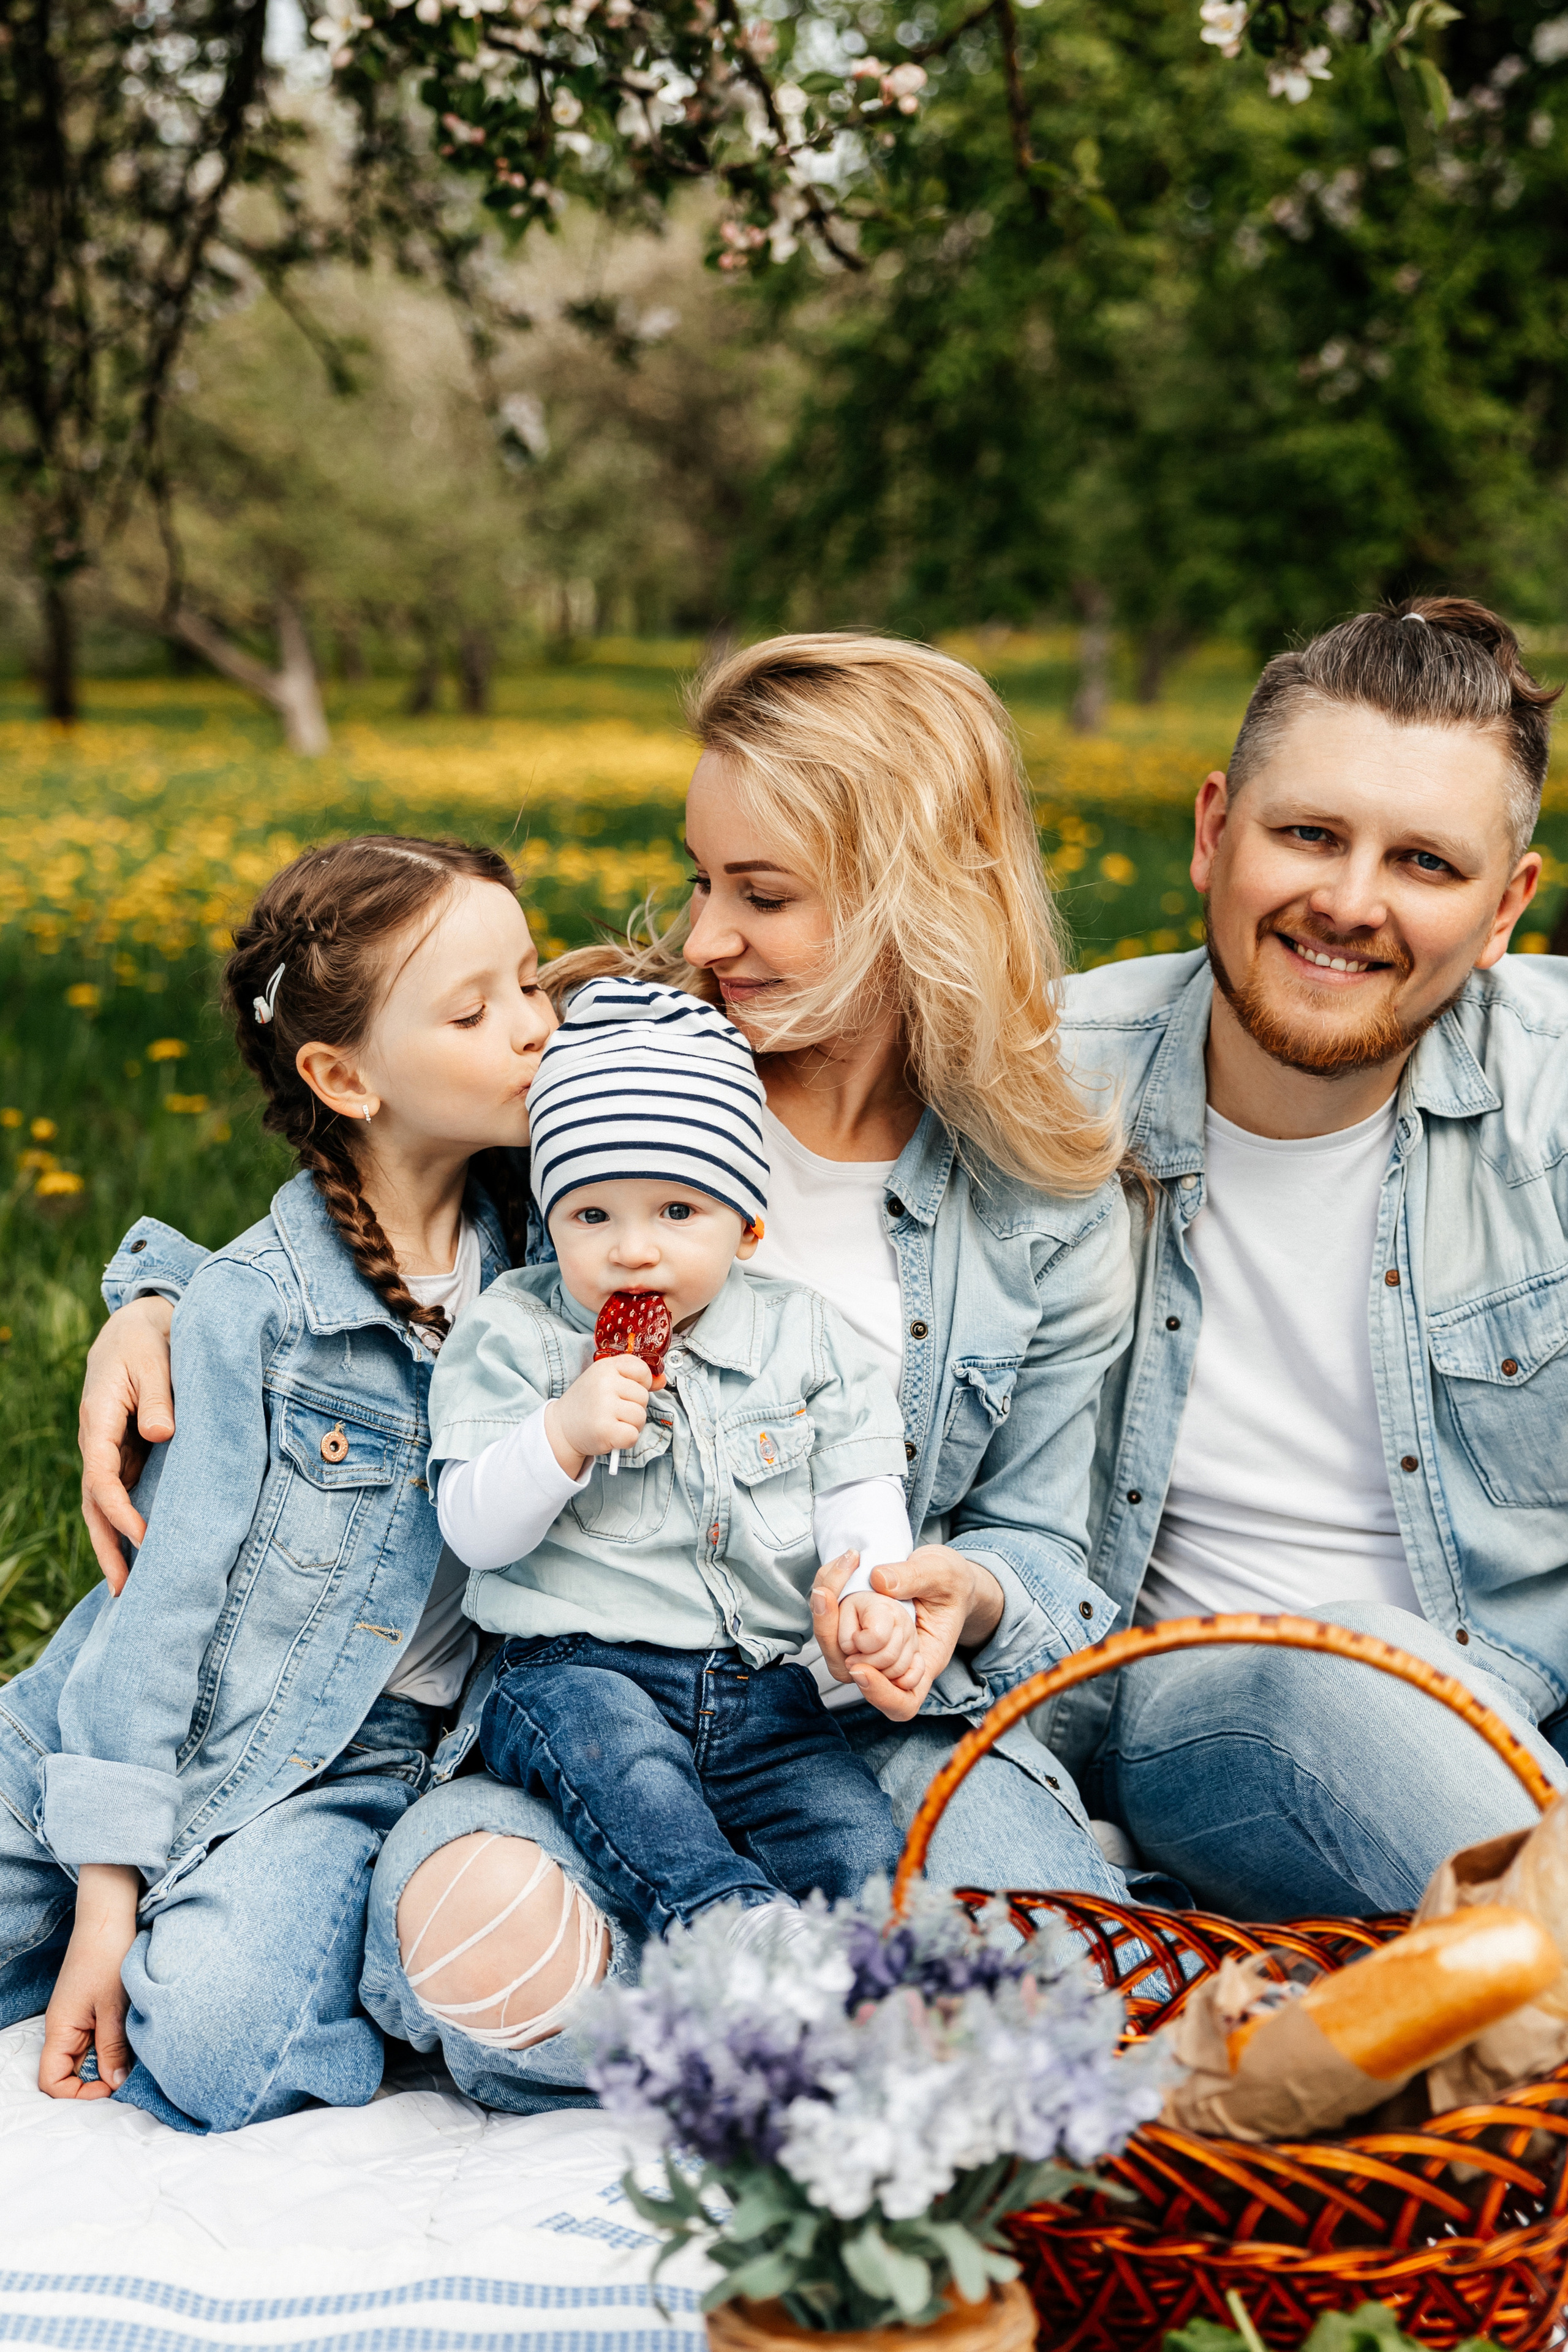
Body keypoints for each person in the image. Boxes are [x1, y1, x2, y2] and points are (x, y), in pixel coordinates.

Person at [76, 633, 1144, 2112]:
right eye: (700, 877)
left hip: (849, 1723)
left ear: (919, 903)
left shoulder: (1036, 1204)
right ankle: (687, 2002)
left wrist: (950, 1597)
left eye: (761, 895)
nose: (703, 937)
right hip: (568, 1693)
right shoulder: (601, 1061)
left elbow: (1040, 1543)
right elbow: (368, 1198)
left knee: (1046, 1985)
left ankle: (722, 2017)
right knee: (484, 1925)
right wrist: (160, 1298)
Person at [0, 834, 556, 2128]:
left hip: (350, 1758)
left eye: (530, 983)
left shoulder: (555, 1248)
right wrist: (108, 1892)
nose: (533, 1028)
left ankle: (325, 1940)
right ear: (341, 1075)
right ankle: (142, 1912)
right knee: (102, 1951)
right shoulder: (256, 1307)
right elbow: (159, 1621)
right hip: (117, 1719)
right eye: (477, 1011)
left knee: (218, 2045)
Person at [1033, 595, 1568, 1918]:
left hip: (1525, 1719)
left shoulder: (1546, 1103)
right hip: (1209, 1722)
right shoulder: (1036, 1090)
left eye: (1422, 866)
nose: (1345, 902)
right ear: (1215, 831)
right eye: (1308, 834)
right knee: (1326, 1669)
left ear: (1503, 909)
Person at [430, 978, 921, 1978]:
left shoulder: (806, 1337)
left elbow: (859, 1492)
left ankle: (866, 1984)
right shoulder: (515, 1335)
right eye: (591, 1213)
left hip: (759, 1684)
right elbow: (473, 1531)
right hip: (573, 1670)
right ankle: (723, 1927)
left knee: (855, 1835)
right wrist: (560, 1438)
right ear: (549, 1223)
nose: (633, 1248)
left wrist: (869, 1596)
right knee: (633, 1783)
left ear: (745, 1226)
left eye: (677, 1210)